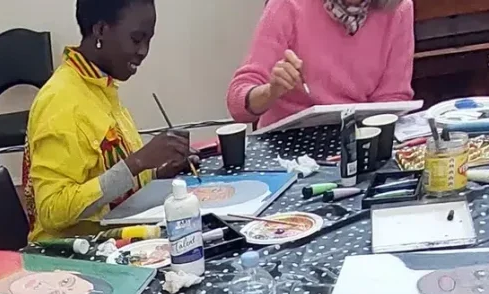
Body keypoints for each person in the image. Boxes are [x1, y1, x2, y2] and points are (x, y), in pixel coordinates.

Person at [23, 0, 194, 242]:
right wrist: (138, 161)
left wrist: (158, 172)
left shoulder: (101, 85)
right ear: (101, 30)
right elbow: (52, 210)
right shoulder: (60, 101)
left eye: (149, 40)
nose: (144, 51)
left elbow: (111, 181)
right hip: (72, 256)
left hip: (115, 235)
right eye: (136, 39)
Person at [226, 0, 415, 129]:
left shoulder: (399, 9)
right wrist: (270, 92)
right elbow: (238, 104)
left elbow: (392, 99)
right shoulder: (288, 4)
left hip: (357, 137)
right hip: (285, 147)